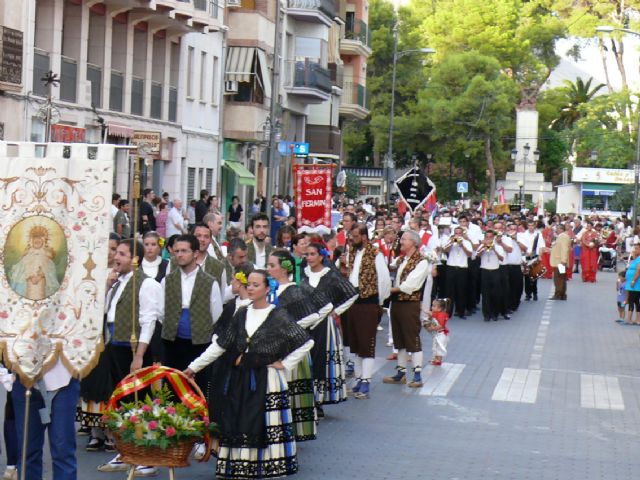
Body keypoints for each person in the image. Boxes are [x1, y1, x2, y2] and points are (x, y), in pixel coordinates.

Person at [184, 270, 313, 479]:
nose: (251, 288)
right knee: (238, 417)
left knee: (263, 421)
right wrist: (193, 368)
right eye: (249, 285)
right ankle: (240, 466)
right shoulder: (242, 313)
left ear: (267, 288)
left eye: (256, 285)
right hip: (241, 376)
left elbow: (305, 341)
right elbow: (220, 345)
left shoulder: (278, 315)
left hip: (268, 378)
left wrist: (285, 363)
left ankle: (266, 466)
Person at [87, 239, 162, 476]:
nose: (116, 257)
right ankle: (126, 449)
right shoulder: (118, 281)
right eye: (116, 253)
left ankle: (147, 455)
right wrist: (107, 287)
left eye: (122, 253)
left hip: (134, 349)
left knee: (141, 402)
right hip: (114, 346)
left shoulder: (147, 284)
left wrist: (139, 355)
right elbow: (107, 313)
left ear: (135, 259)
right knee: (121, 403)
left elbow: (149, 321)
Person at [267, 249, 332, 440]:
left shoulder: (294, 290)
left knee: (291, 389)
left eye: (272, 266)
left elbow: (315, 314)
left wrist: (290, 329)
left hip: (291, 349)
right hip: (274, 348)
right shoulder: (271, 289)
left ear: (285, 268)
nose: (268, 269)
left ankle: (291, 432)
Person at [160, 234, 223, 392]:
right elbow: (161, 312)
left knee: (197, 389)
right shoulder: (167, 281)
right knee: (171, 388)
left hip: (199, 345)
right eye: (177, 251)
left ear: (195, 253)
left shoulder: (210, 282)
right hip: (172, 343)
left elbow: (216, 314)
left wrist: (199, 327)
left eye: (184, 251)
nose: (179, 254)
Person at [301, 243, 358, 407]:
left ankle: (318, 400)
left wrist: (336, 311)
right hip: (306, 322)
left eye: (313, 254)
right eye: (308, 254)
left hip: (324, 324)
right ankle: (308, 398)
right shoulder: (303, 274)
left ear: (321, 256)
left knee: (321, 360)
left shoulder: (330, 275)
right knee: (307, 360)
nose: (309, 258)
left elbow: (351, 294)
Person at [343, 224, 391, 399]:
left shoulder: (375, 254)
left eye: (355, 236)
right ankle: (358, 379)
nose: (351, 239)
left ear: (364, 237)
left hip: (368, 303)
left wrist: (378, 302)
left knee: (367, 344)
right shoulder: (353, 253)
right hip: (353, 302)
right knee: (355, 344)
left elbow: (384, 280)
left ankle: (366, 381)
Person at [383, 230, 430, 388]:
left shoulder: (422, 261)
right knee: (399, 339)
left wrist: (390, 290)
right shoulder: (402, 258)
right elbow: (390, 269)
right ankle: (401, 373)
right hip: (397, 303)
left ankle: (417, 375)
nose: (401, 241)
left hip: (409, 304)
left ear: (413, 243)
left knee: (412, 338)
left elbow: (411, 284)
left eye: (404, 239)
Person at [8, 225, 60, 301]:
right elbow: (21, 268)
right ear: (31, 241)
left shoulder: (46, 255)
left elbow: (49, 268)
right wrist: (30, 276)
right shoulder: (27, 255)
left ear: (44, 241)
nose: (37, 241)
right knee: (29, 297)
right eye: (35, 240)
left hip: (41, 282)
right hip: (29, 281)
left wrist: (39, 276)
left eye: (39, 240)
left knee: (40, 297)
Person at [478, 230, 505, 321]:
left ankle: (495, 313)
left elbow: (502, 258)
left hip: (495, 271)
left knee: (495, 293)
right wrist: (484, 248)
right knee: (485, 294)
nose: (489, 239)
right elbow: (477, 255)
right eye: (487, 237)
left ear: (493, 238)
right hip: (485, 271)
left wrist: (494, 250)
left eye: (490, 237)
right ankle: (486, 314)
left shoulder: (498, 246)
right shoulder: (482, 246)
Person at [518, 220, 543, 301]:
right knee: (526, 277)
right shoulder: (523, 235)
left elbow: (541, 246)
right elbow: (521, 246)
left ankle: (535, 293)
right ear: (527, 226)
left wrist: (539, 256)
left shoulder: (538, 235)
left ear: (534, 226)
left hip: (535, 257)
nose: (531, 227)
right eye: (529, 225)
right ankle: (528, 294)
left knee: (534, 276)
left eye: (532, 225)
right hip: (526, 258)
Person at [422, 298, 450, 366]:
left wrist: (432, 328)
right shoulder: (436, 313)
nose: (432, 307)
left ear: (439, 308)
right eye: (432, 305)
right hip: (437, 334)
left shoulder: (442, 315)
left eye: (434, 306)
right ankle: (435, 358)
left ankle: (438, 360)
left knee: (439, 347)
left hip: (441, 334)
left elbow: (440, 326)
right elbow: (428, 312)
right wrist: (422, 308)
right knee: (435, 346)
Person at [550, 224, 571, 300]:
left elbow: (564, 249)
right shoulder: (561, 236)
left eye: (557, 228)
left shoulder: (563, 237)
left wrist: (563, 260)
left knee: (558, 278)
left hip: (560, 261)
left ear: (561, 229)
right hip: (560, 260)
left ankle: (558, 294)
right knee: (561, 278)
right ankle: (562, 294)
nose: (556, 230)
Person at [625, 244, 640, 324]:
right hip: (631, 283)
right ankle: (636, 319)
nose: (635, 250)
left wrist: (633, 281)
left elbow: (638, 271)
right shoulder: (636, 258)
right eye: (635, 248)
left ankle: (630, 319)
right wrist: (634, 254)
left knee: (632, 300)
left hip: (635, 283)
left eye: (637, 249)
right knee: (635, 301)